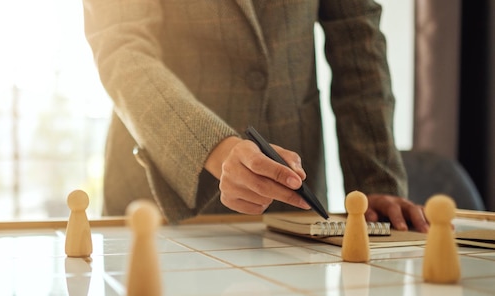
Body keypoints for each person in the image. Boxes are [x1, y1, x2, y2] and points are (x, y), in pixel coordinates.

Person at [83, 0, 428, 232]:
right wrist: (211, 146)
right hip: (158, 193)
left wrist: (375, 184)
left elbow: (358, 41)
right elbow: (120, 46)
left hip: (293, 199)